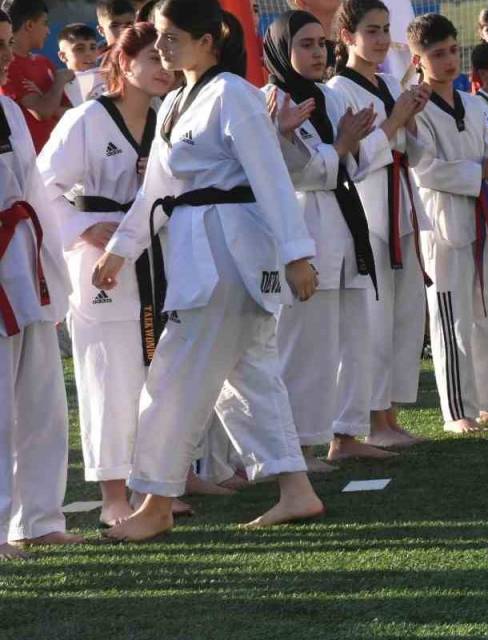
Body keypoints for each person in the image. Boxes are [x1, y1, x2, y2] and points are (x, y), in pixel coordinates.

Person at [91, 1, 326, 542]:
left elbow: (270, 176)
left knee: (172, 378)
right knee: (246, 380)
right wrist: (123, 249)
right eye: (160, 38)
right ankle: (296, 489)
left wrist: (297, 253)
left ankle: (155, 501)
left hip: (230, 253)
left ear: (209, 39)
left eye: (173, 37)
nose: (164, 47)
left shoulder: (234, 95)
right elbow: (157, 192)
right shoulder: (174, 101)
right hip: (198, 247)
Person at [36, 21, 171, 527]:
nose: (163, 68)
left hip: (155, 255)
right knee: (106, 377)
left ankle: (151, 485)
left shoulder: (166, 116)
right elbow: (43, 187)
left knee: (154, 370)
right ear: (123, 62)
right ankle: (113, 493)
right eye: (152, 59)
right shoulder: (88, 120)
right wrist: (82, 226)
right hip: (99, 263)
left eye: (167, 59)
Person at [262, 9, 400, 467]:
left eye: (321, 44)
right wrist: (339, 149)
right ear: (283, 49)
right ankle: (298, 444)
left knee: (352, 335)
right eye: (306, 44)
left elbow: (360, 163)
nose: (318, 52)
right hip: (304, 226)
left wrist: (352, 146)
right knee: (307, 343)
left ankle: (345, 433)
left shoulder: (330, 98)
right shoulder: (271, 101)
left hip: (345, 220)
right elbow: (292, 171)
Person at [407, 13, 488, 433]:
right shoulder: (416, 108)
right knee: (450, 318)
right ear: (417, 59)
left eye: (451, 51)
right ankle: (457, 411)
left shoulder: (475, 104)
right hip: (441, 222)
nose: (446, 61)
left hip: (478, 216)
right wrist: (483, 168)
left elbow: (484, 156)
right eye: (436, 54)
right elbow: (425, 170)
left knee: (487, 312)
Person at [328, 0, 432, 448]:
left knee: (403, 316)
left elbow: (416, 152)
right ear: (348, 36)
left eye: (386, 29)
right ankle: (369, 419)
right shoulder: (337, 91)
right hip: (367, 212)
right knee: (372, 319)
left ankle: (388, 415)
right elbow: (350, 161)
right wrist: (394, 121)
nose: (380, 39)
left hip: (403, 204)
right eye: (371, 30)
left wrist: (416, 114)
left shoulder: (391, 82)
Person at [0, 7, 81, 560]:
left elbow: (33, 192)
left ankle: (38, 517)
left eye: (7, 42)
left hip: (25, 267)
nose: (8, 55)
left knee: (42, 401)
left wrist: (55, 275)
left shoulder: (5, 106)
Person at [2, 0, 69, 152]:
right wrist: (58, 83)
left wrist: (46, 100)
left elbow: (70, 112)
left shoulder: (44, 62)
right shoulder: (7, 67)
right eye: (45, 23)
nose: (48, 31)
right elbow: (42, 111)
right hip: (29, 164)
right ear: (30, 25)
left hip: (59, 156)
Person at [57, 23, 103, 107]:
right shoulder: (59, 87)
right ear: (63, 56)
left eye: (92, 47)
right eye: (80, 49)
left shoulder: (109, 73)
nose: (88, 53)